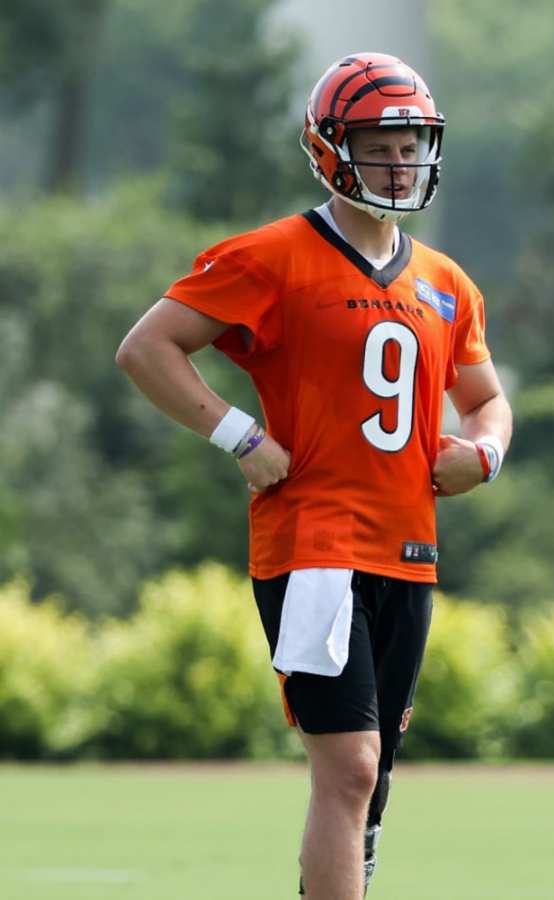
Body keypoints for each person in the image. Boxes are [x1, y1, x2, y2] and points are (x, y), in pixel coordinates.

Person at [116, 53, 512, 899]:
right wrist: (236, 433)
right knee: (351, 767)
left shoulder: (448, 283)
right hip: (316, 548)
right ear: (329, 147)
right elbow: (146, 347)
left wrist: (484, 454)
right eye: (380, 142)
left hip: (409, 552)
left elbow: (487, 401)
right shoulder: (272, 256)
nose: (401, 161)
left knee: (370, 784)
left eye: (412, 143)